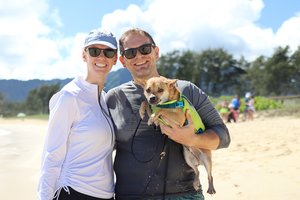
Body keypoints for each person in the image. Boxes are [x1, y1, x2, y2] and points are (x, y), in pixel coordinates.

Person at [106, 28, 231, 199]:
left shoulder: (187, 90)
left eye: (144, 49)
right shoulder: (114, 98)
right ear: (122, 60)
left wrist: (193, 139)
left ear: (156, 52)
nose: (139, 56)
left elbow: (223, 137)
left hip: (186, 194)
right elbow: (100, 147)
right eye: (130, 53)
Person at [37, 29, 118, 200]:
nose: (101, 57)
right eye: (94, 51)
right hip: (73, 192)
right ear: (84, 55)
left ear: (115, 59)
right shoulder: (69, 96)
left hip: (106, 194)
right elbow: (51, 155)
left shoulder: (104, 98)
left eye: (108, 52)